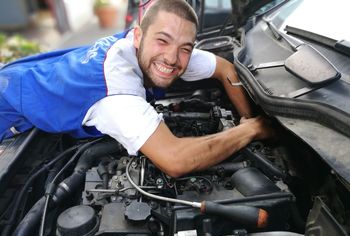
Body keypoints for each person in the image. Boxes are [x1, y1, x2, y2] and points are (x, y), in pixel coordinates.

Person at [0, 0, 273, 177]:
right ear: (139, 36)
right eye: (162, 41)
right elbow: (175, 160)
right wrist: (250, 129)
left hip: (29, 76)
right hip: (8, 108)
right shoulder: (115, 91)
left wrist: (245, 116)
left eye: (184, 48)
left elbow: (225, 68)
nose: (170, 58)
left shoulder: (157, 51)